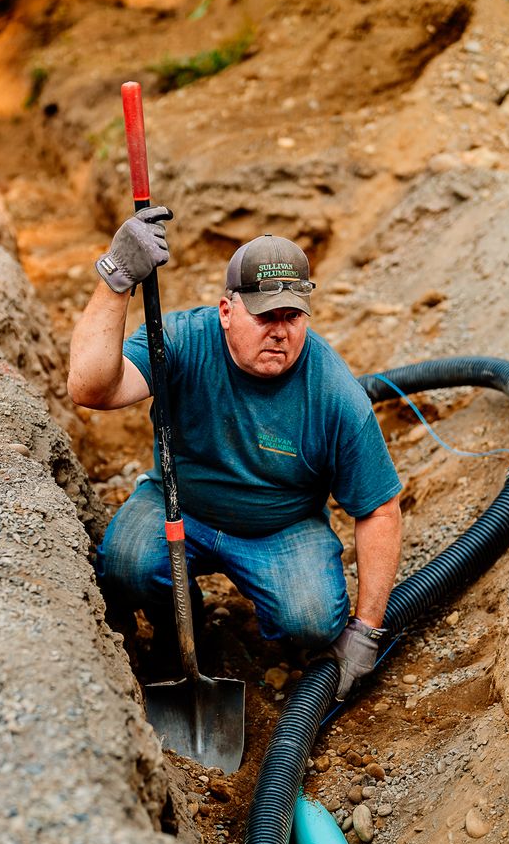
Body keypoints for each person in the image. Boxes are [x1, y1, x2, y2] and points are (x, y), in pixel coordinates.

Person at [68, 207, 402, 700]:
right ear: (227, 311)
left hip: (280, 527)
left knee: (313, 621)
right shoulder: (183, 340)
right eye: (265, 315)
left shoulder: (334, 392)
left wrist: (366, 630)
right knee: (124, 567)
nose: (280, 332)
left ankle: (269, 639)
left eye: (292, 317)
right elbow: (91, 388)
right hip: (181, 504)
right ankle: (181, 620)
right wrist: (116, 279)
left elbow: (379, 508)